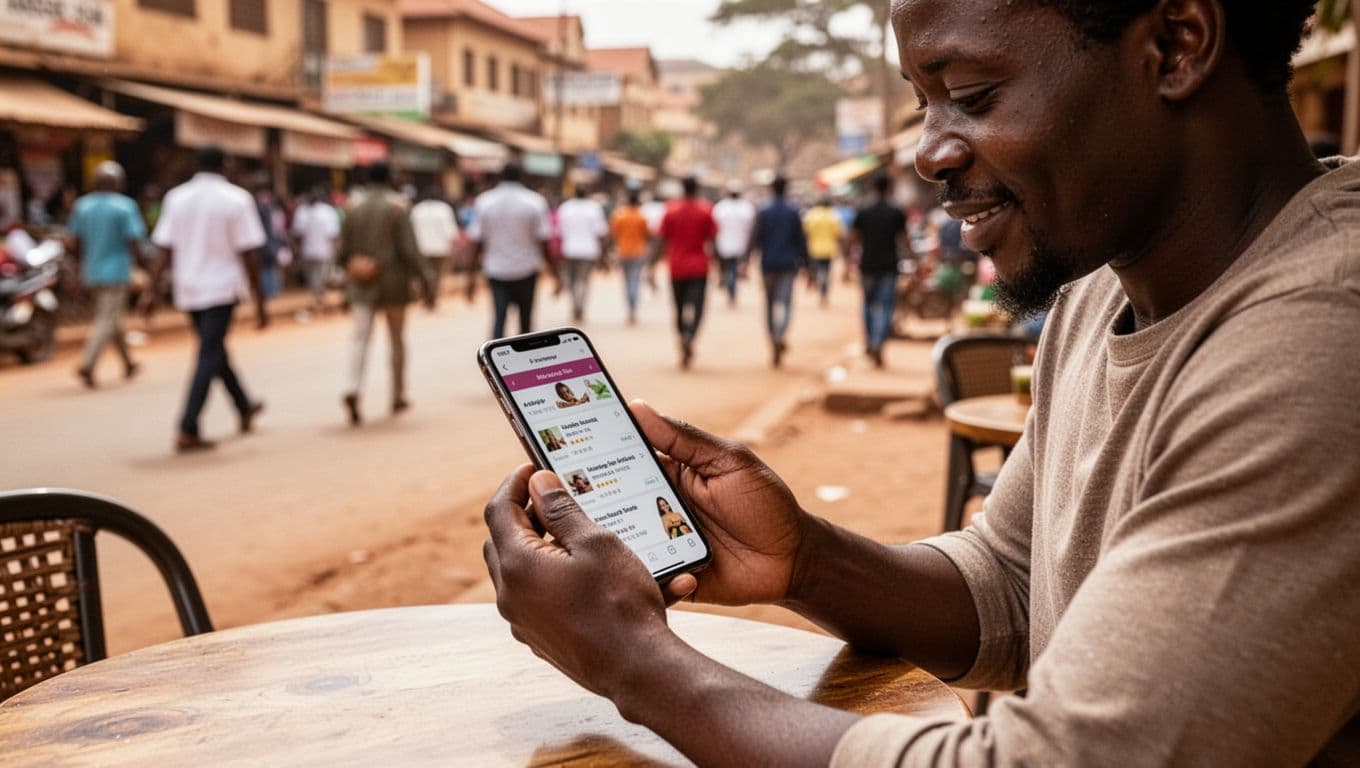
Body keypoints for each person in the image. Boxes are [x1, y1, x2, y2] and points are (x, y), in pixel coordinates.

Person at [481, 1, 1360, 765]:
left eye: (972, 96)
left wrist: (633, 661)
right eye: (921, 103)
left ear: (1176, 43)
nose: (930, 151)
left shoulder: (1324, 339)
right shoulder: (1104, 288)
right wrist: (807, 560)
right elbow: (1013, 584)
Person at [143, 146, 267, 453]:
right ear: (225, 165)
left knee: (213, 349)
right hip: (221, 289)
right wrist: (260, 299)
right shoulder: (236, 198)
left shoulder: (176, 198)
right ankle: (188, 425)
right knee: (209, 352)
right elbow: (248, 252)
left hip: (189, 288)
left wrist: (151, 289)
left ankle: (243, 404)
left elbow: (163, 250)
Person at [337, 162, 435, 426]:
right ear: (390, 178)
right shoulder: (398, 206)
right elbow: (409, 251)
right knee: (397, 341)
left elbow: (342, 252)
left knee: (359, 338)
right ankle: (398, 394)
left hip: (361, 284)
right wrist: (426, 279)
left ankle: (352, 388)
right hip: (394, 283)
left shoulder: (352, 206)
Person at [68, 161, 145, 388]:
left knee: (110, 318)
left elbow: (75, 242)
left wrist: (78, 269)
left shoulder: (82, 206)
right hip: (117, 271)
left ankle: (128, 363)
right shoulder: (125, 206)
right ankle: (88, 364)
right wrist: (141, 265)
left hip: (91, 271)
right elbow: (134, 240)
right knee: (106, 319)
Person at [468, 163, 552, 339]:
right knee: (526, 322)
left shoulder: (485, 201)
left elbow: (477, 243)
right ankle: (526, 363)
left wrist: (471, 277)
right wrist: (555, 272)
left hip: (496, 270)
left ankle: (494, 362)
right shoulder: (535, 201)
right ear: (521, 176)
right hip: (527, 269)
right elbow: (543, 240)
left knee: (499, 319)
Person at [656, 176, 717, 369]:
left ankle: (683, 335)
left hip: (676, 267)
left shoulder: (670, 209)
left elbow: (662, 238)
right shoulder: (705, 209)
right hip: (699, 267)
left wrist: (651, 264)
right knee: (698, 307)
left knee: (679, 307)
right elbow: (713, 238)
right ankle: (690, 335)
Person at [751, 177, 808, 368]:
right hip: (787, 265)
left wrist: (746, 260)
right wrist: (807, 265)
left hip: (768, 264)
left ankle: (773, 337)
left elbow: (755, 237)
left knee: (768, 304)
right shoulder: (793, 211)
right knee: (786, 304)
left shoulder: (764, 211)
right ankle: (780, 334)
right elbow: (801, 240)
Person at [852, 174, 907, 368]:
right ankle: (878, 342)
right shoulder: (896, 211)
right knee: (885, 307)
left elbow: (854, 238)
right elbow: (903, 240)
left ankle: (870, 340)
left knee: (867, 304)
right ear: (889, 187)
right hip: (889, 265)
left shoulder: (863, 210)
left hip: (867, 265)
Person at [556, 187, 609, 323]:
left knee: (573, 282)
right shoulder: (594, 208)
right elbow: (601, 232)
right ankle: (580, 307)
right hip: (588, 251)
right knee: (583, 281)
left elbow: (559, 231)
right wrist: (603, 255)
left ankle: (575, 306)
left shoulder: (565, 208)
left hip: (569, 250)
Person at [292, 187, 340, 313]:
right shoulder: (327, 211)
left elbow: (298, 233)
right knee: (319, 275)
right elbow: (333, 233)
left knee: (314, 275)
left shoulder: (303, 211)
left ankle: (318, 298)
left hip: (309, 249)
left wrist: (297, 248)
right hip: (323, 249)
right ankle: (319, 298)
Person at [710, 182, 756, 307]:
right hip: (738, 245)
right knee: (732, 270)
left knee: (730, 270)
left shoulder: (720, 208)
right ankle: (732, 291)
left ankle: (731, 291)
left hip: (726, 245)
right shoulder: (746, 208)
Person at [610, 190, 651, 325]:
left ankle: (630, 309)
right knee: (635, 281)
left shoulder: (620, 215)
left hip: (623, 252)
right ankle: (633, 309)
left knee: (627, 281)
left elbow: (614, 233)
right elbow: (647, 234)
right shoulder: (641, 216)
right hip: (639, 252)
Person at [409, 187, 459, 296]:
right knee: (436, 274)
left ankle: (427, 296)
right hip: (440, 248)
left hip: (421, 248)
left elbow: (410, 231)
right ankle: (432, 297)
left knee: (424, 273)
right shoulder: (444, 209)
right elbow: (451, 231)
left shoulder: (416, 210)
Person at [803, 197, 845, 307]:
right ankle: (824, 293)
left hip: (814, 248)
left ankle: (817, 282)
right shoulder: (833, 216)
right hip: (829, 249)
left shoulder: (811, 215)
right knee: (826, 271)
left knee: (816, 269)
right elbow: (839, 233)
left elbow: (805, 232)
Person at [251, 177, 284, 306]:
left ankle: (270, 291)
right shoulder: (264, 207)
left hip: (264, 243)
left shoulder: (260, 206)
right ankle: (269, 292)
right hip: (265, 243)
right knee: (267, 269)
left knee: (267, 269)